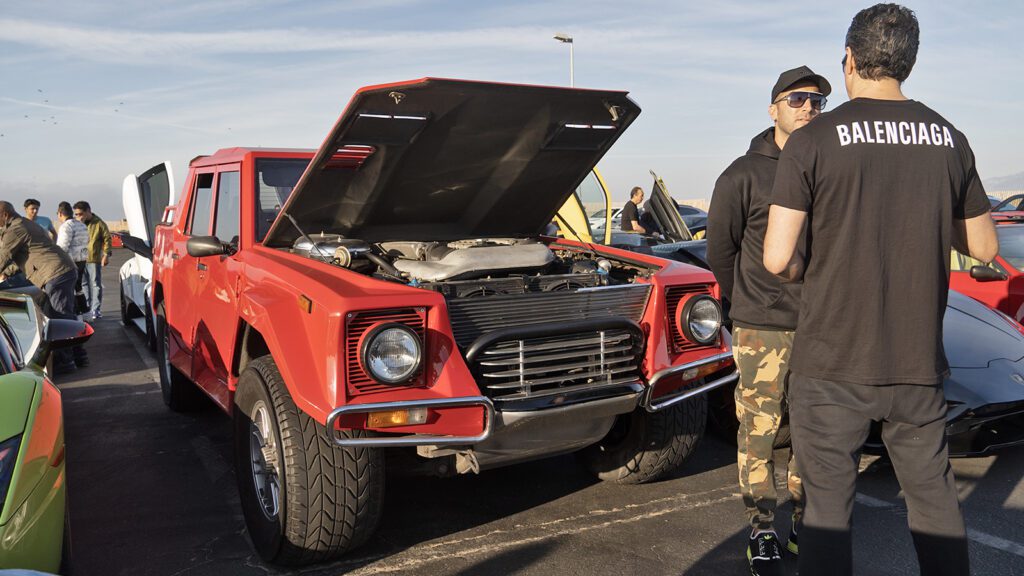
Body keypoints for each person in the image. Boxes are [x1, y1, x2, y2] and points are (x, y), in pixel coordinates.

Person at [763, 5, 997, 575]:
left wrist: (802, 270)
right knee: (933, 498)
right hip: (916, 362)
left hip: (833, 361)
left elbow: (776, 257)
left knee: (827, 510)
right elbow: (986, 248)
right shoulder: (949, 137)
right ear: (908, 63)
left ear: (849, 58)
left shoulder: (813, 139)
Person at [707, 65, 829, 576]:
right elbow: (720, 252)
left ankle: (805, 524)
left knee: (810, 430)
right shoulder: (742, 173)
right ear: (773, 106)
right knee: (759, 429)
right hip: (762, 326)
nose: (808, 109)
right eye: (798, 99)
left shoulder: (827, 166)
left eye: (817, 102)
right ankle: (761, 529)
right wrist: (746, 308)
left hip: (820, 324)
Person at [0, 201, 88, 373]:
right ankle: (78, 355)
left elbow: (3, 257)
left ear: (5, 215)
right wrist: (7, 273)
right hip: (60, 271)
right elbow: (26, 258)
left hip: (56, 273)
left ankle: (68, 361)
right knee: (61, 315)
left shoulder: (15, 229)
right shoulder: (24, 225)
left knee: (60, 317)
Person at [73, 200, 112, 321]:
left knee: (95, 284)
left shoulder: (99, 223)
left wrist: (106, 255)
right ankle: (87, 307)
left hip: (93, 259)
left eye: (80, 214)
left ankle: (96, 309)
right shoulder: (76, 224)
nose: (78, 217)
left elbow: (107, 239)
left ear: (88, 211)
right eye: (76, 214)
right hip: (79, 259)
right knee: (83, 284)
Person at [56, 201, 89, 314]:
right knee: (79, 288)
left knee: (70, 289)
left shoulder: (66, 226)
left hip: (70, 262)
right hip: (82, 260)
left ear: (60, 214)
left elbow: (62, 247)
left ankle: (76, 314)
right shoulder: (82, 225)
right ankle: (85, 313)